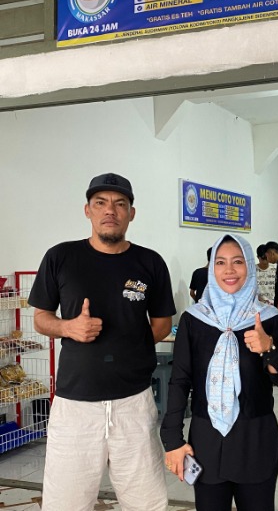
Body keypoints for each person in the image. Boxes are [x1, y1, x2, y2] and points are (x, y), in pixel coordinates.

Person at [29, 172, 176, 511]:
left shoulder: (150, 262)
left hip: (134, 402)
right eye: (101, 203)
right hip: (75, 404)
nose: (110, 210)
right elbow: (41, 318)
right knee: (65, 503)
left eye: (120, 204)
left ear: (131, 213)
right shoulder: (60, 257)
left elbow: (162, 323)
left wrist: (130, 343)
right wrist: (69, 328)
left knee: (147, 503)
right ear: (88, 210)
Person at [161, 233, 278, 511]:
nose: (229, 270)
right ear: (212, 269)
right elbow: (180, 381)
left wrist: (268, 348)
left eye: (238, 261)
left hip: (255, 437)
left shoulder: (269, 318)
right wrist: (173, 440)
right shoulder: (194, 319)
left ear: (249, 266)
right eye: (220, 262)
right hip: (207, 438)